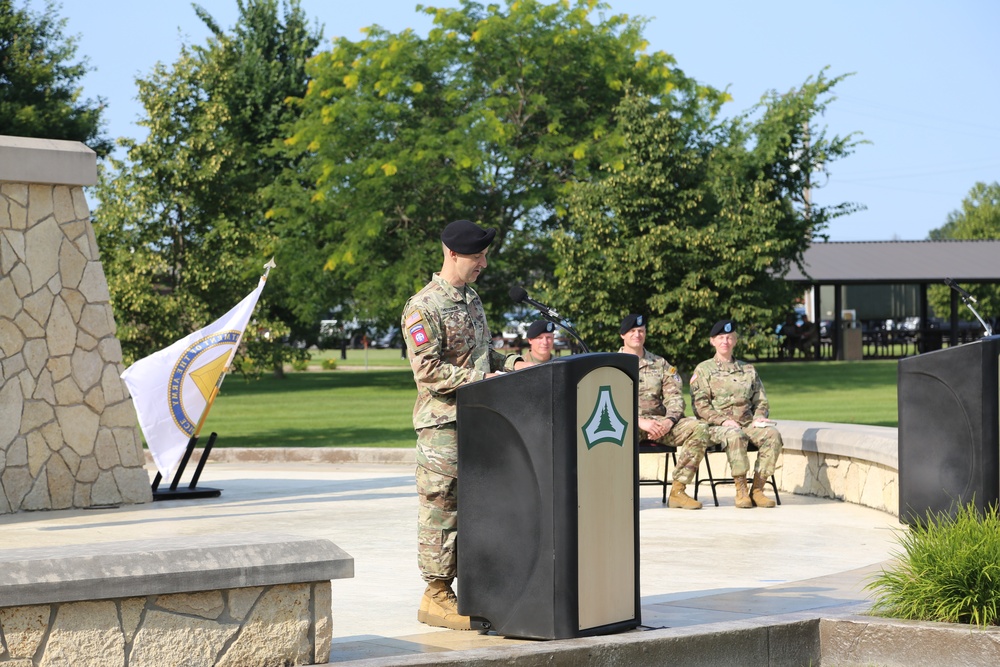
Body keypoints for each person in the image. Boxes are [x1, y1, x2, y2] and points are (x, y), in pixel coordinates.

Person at [401, 219, 529, 630]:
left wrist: (515, 364)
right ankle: (435, 594)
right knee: (443, 509)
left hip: (480, 422)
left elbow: (482, 353)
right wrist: (481, 379)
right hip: (444, 428)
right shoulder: (423, 307)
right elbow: (429, 372)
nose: (484, 264)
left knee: (478, 509)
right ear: (452, 254)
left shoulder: (471, 299)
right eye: (477, 256)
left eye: (485, 256)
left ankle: (475, 586)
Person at [618, 313, 709, 509]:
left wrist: (669, 421)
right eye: (632, 331)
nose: (637, 335)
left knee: (699, 428)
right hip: (626, 424)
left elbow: (675, 398)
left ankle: (678, 491)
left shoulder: (660, 364)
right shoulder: (611, 365)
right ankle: (617, 493)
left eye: (641, 331)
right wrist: (638, 421)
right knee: (607, 434)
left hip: (660, 425)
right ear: (622, 335)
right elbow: (606, 403)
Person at [689, 319, 783, 509]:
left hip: (747, 423)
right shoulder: (703, 369)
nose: (725, 341)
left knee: (773, 435)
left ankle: (757, 489)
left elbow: (760, 400)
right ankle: (741, 490)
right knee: (735, 434)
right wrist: (723, 421)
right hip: (716, 427)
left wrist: (759, 417)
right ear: (712, 341)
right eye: (721, 337)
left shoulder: (748, 369)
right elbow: (700, 406)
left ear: (735, 340)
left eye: (729, 337)